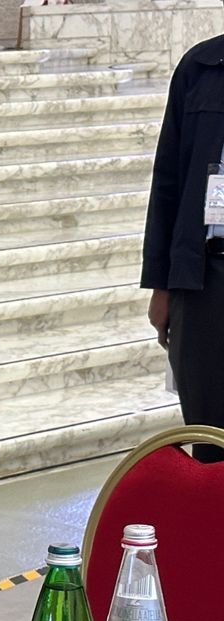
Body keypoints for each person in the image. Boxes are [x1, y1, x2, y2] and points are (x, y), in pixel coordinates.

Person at [143, 35, 224, 463]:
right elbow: (169, 182)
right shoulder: (202, 66)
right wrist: (162, 286)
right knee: (211, 437)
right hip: (206, 279)